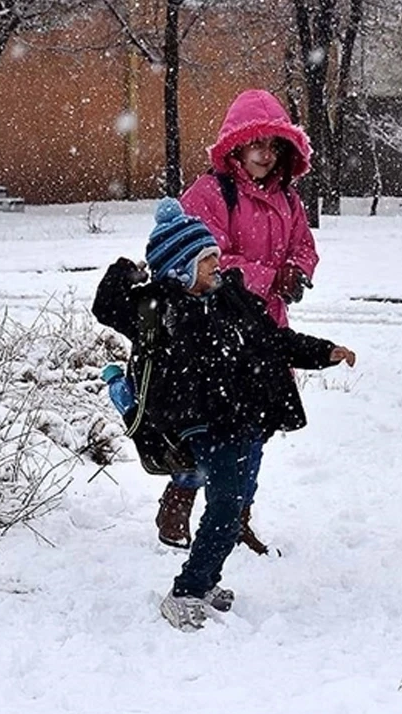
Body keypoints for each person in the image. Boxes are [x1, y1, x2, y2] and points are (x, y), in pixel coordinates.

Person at [92, 198, 355, 631]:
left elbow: (277, 340)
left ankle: (205, 580)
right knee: (226, 508)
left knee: (230, 507)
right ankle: (186, 592)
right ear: (180, 267)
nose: (217, 264)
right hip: (202, 422)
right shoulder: (159, 309)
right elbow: (107, 306)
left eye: (215, 255)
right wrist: (126, 271)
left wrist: (325, 352)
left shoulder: (233, 299)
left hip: (244, 416)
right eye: (206, 259)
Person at [160, 88, 319, 553]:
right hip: (216, 333)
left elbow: (304, 246)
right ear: (236, 145)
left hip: (266, 330)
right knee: (212, 427)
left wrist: (298, 271)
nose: (265, 155)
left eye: (273, 146)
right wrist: (269, 275)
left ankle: (235, 516)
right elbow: (200, 261)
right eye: (257, 145)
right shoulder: (210, 193)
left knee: (258, 428)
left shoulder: (289, 199)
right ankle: (183, 495)